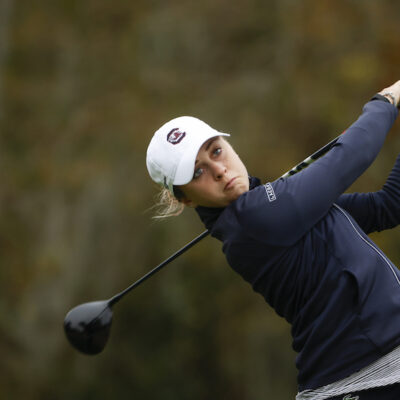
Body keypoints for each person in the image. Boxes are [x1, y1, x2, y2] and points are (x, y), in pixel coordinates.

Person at [146, 81, 400, 400]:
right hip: (364, 381)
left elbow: (387, 206)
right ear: (186, 200)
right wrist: (387, 99)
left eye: (216, 151)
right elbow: (353, 155)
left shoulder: (272, 208)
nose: (220, 171)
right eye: (198, 173)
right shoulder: (254, 219)